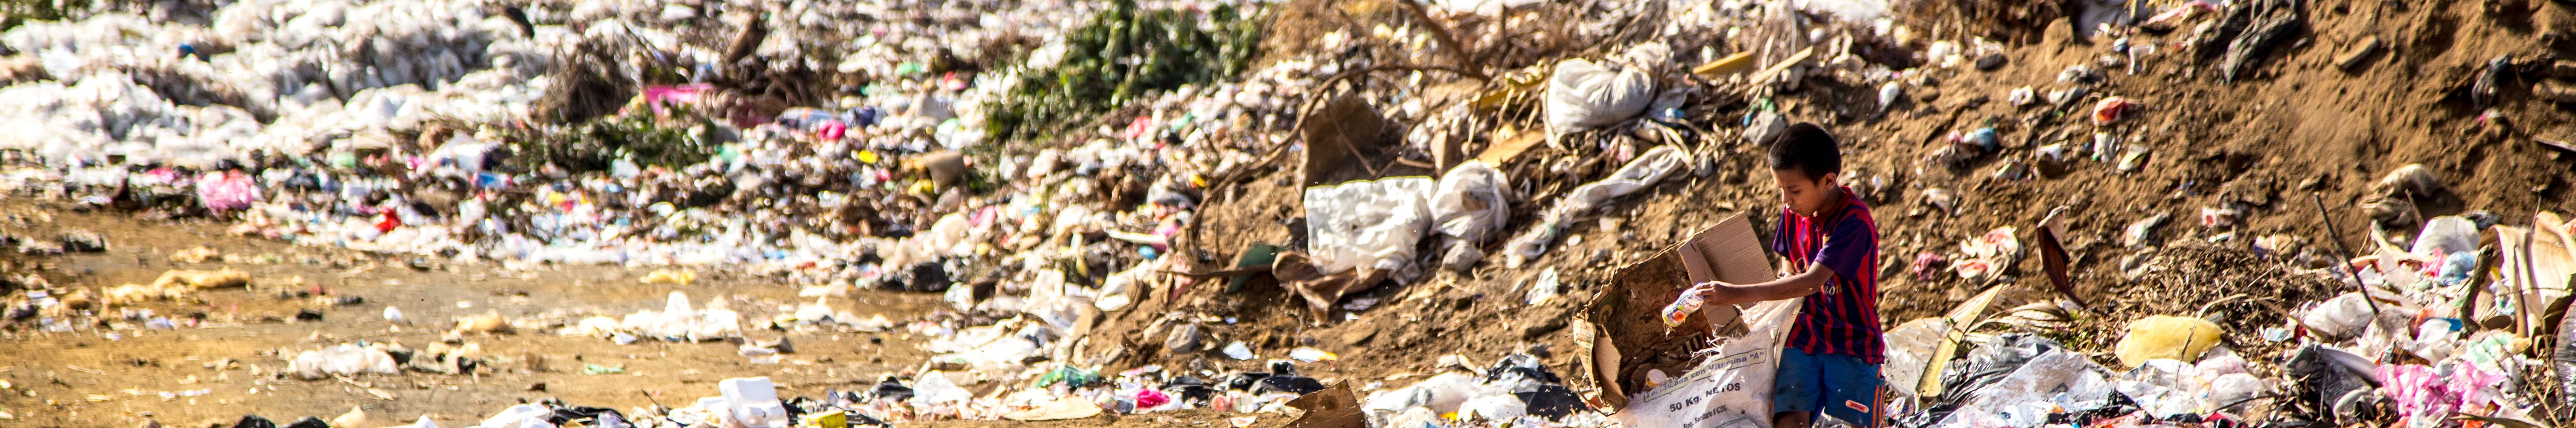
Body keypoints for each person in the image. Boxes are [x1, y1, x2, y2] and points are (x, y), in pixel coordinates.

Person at [1686, 121, 1884, 428]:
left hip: (1851, 339)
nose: (1785, 200)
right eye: (1781, 190)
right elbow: (1788, 260)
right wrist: (1784, 277)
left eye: (1794, 191)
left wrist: (1734, 294)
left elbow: (1811, 281)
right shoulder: (1795, 212)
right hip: (1803, 334)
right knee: (1789, 418)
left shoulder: (1853, 223)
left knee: (1858, 421)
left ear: (1828, 181)